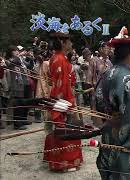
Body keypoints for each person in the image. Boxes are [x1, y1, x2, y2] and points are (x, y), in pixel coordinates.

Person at [94, 26, 130, 179]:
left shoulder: (105, 74)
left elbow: (95, 104)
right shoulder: (128, 78)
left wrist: (106, 124)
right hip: (124, 142)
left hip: (107, 136)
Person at [44, 32, 83, 172]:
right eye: (69, 42)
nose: (72, 44)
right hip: (61, 100)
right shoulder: (59, 59)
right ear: (62, 42)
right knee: (65, 131)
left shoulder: (58, 58)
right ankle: (65, 163)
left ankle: (61, 162)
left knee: (64, 131)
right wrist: (67, 103)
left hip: (60, 99)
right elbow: (61, 85)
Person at [6, 46, 30, 130]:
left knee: (22, 103)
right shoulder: (9, 60)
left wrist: (26, 57)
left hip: (21, 84)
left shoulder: (19, 59)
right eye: (14, 51)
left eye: (17, 50)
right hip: (15, 85)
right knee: (17, 105)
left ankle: (21, 120)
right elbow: (12, 63)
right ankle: (17, 124)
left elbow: (27, 65)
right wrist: (19, 55)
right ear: (10, 52)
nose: (17, 52)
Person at [34, 47, 51, 123]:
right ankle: (39, 116)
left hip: (44, 83)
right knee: (40, 98)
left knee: (42, 98)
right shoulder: (41, 63)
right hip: (42, 83)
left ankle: (45, 116)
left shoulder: (46, 63)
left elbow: (49, 74)